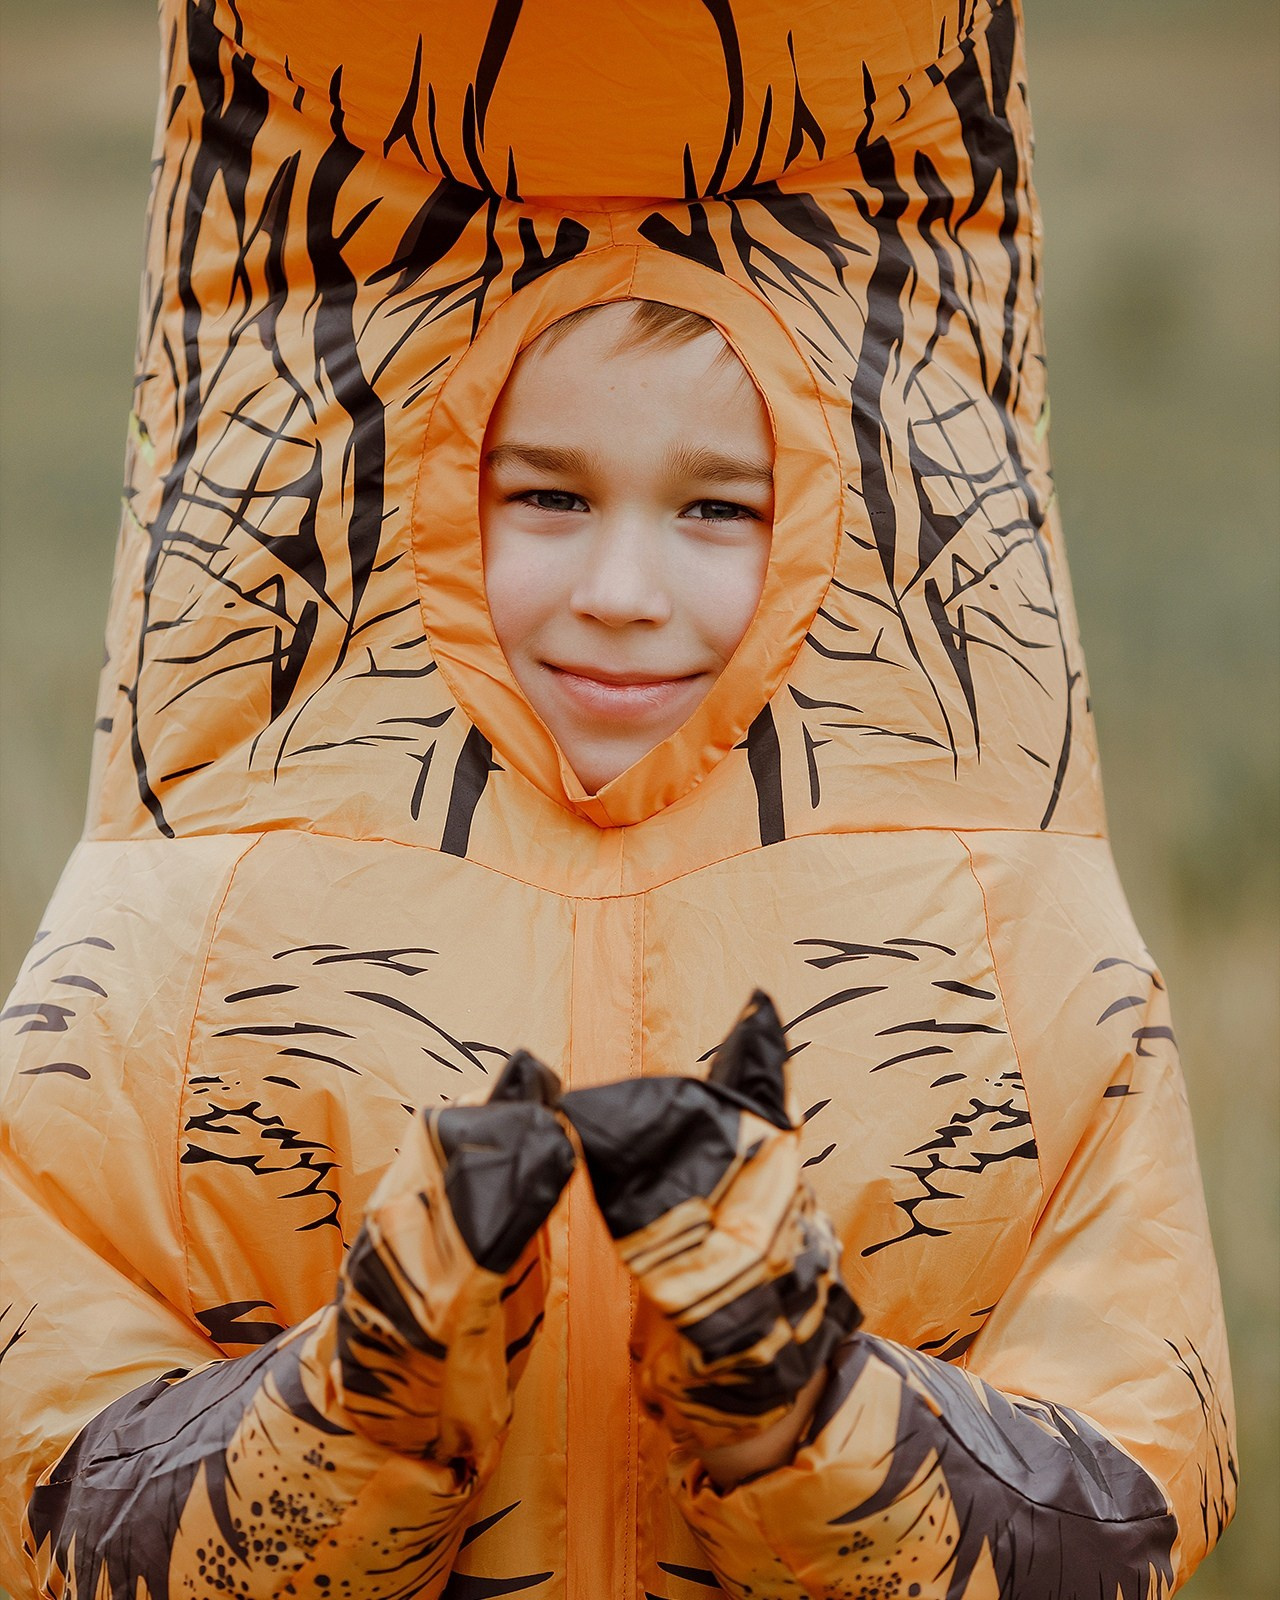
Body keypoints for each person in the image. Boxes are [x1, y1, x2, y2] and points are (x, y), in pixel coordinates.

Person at [0, 2, 1236, 1597]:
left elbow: (1136, 1483)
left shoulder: (1014, 952)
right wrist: (364, 1396)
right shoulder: (178, 951)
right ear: (434, 508)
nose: (626, 592)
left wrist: (797, 1399)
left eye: (719, 508)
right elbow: (49, 1466)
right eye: (549, 498)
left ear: (820, 526)